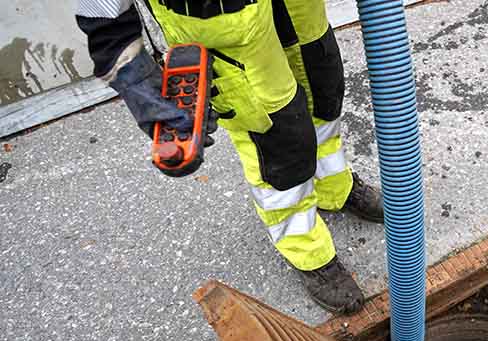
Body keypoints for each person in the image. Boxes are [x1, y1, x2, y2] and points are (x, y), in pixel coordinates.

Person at [76, 0, 383, 314]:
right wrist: (128, 65)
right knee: (274, 135)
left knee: (322, 87)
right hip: (218, 16)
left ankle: (334, 188)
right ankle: (305, 249)